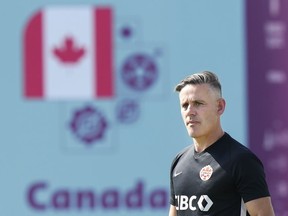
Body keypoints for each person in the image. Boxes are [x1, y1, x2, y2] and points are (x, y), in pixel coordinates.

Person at [169, 71, 275, 216]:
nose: (190, 111)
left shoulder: (241, 160)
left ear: (219, 107)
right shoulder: (179, 162)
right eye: (185, 105)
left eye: (198, 103)